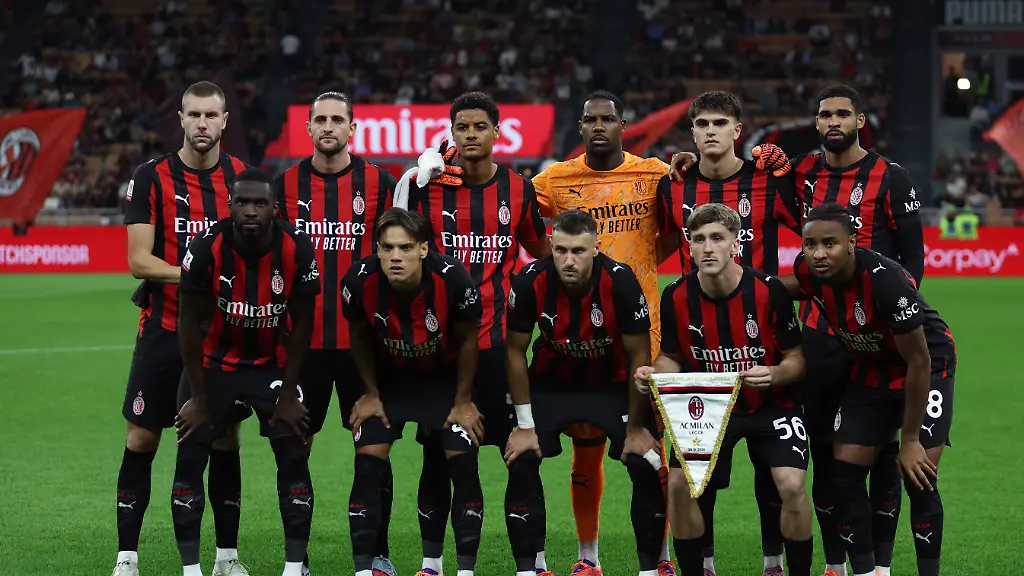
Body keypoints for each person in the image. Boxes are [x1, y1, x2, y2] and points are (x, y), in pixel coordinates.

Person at [668, 84, 925, 576]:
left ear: (860, 120)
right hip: (755, 345)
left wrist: (890, 299)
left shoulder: (876, 178)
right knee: (718, 473)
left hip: (829, 336)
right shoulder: (777, 172)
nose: (832, 121)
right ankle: (739, 563)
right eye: (702, 125)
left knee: (858, 453)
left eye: (842, 114)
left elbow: (891, 251)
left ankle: (860, 565)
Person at [397, 91, 551, 576]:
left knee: (522, 457)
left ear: (496, 132)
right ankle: (432, 563)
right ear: (451, 133)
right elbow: (396, 231)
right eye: (461, 127)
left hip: (500, 349)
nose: (469, 135)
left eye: (479, 126)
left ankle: (533, 565)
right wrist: (411, 177)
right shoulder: (429, 186)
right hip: (442, 352)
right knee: (440, 459)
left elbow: (542, 254)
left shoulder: (519, 190)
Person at [656, 92, 801, 576]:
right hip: (699, 350)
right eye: (702, 124)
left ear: (739, 129)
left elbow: (819, 235)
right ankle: (705, 564)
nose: (711, 131)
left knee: (774, 476)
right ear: (692, 132)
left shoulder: (768, 179)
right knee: (695, 478)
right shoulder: (671, 185)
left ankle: (774, 563)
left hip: (765, 340)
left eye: (722, 123)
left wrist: (794, 286)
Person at [635, 203, 812, 576]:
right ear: (689, 247)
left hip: (772, 405)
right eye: (699, 240)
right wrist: (656, 373)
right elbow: (671, 356)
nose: (708, 247)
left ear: (736, 245)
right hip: (708, 407)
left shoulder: (769, 292)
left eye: (718, 238)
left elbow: (797, 359)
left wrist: (776, 373)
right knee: (680, 488)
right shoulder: (676, 296)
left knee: (791, 485)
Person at [117, 81, 250, 576]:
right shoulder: (150, 177)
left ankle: (227, 558)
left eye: (211, 115)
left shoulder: (241, 178)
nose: (202, 124)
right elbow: (138, 260)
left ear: (224, 121)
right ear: (180, 118)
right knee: (141, 440)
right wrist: (198, 274)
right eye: (193, 115)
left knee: (225, 440)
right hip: (164, 328)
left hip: (221, 336)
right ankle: (126, 558)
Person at [782, 203, 954, 576]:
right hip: (872, 367)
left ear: (852, 242)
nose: (819, 253)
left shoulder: (886, 281)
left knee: (919, 475)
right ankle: (868, 573)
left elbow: (919, 362)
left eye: (830, 243)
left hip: (928, 367)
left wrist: (908, 440)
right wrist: (748, 283)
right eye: (810, 244)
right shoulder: (808, 270)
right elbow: (793, 286)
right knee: (844, 475)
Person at [273, 91, 398, 576]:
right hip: (300, 348)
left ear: (352, 128)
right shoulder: (284, 185)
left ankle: (375, 556)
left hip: (363, 347)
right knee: (293, 449)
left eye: (337, 120)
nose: (329, 127)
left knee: (373, 449)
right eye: (320, 120)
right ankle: (296, 559)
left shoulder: (379, 183)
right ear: (308, 128)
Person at [173, 168, 320, 576]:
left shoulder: (296, 247)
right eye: (243, 202)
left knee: (292, 450)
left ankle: (293, 569)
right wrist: (198, 399)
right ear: (230, 205)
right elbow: (187, 323)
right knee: (190, 452)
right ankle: (192, 571)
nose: (251, 211)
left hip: (270, 366)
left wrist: (289, 395)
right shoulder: (205, 246)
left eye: (260, 203)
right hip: (212, 365)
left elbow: (303, 324)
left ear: (275, 208)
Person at [504, 209, 667, 576]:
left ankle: (649, 569)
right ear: (550, 245)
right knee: (521, 457)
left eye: (578, 250)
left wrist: (636, 426)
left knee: (647, 462)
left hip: (610, 384)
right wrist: (526, 425)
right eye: (560, 250)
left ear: (596, 247)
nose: (568, 260)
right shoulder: (530, 281)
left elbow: (639, 354)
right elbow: (514, 351)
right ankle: (531, 569)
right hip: (551, 384)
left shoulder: (620, 281)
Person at [341, 208, 486, 576]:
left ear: (423, 249)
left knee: (461, 458)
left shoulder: (453, 279)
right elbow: (357, 336)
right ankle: (365, 569)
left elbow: (470, 341)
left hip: (442, 381)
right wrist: (370, 392)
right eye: (387, 248)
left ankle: (460, 570)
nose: (395, 256)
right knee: (368, 460)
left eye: (405, 248)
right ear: (377, 249)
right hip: (390, 382)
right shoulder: (358, 281)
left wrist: (464, 400)